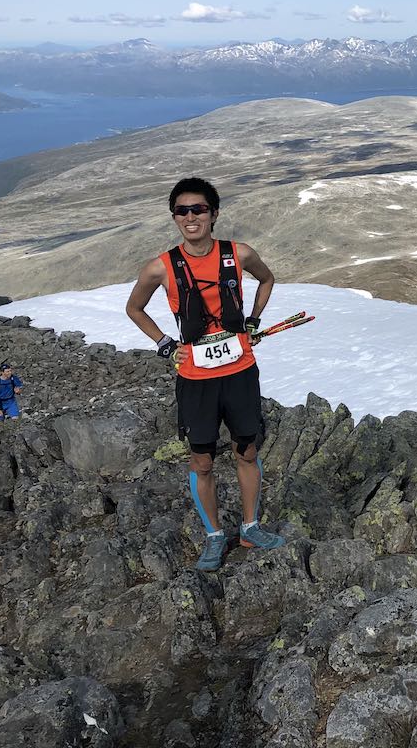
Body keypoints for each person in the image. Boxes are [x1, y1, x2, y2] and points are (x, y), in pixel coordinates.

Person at [125, 177, 285, 572]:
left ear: (214, 214)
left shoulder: (239, 254)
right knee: (202, 462)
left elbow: (267, 279)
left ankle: (250, 527)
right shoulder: (160, 268)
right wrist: (165, 344)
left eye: (198, 209)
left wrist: (252, 321)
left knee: (247, 450)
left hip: (241, 371)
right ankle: (215, 536)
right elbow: (135, 308)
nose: (190, 217)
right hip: (195, 377)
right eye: (182, 211)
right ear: (174, 217)